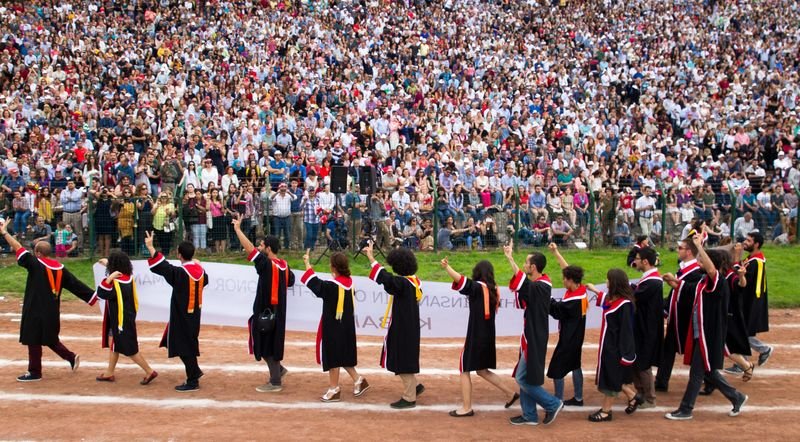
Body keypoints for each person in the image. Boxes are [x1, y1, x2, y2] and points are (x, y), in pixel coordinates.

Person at [0, 219, 95, 382]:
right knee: (49, 338)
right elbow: (78, 286)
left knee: (33, 339)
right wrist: (95, 296)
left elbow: (17, 247)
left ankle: (35, 372)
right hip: (51, 311)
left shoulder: (35, 264)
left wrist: (4, 232)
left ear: (37, 253)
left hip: (35, 309)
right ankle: (71, 357)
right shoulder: (61, 269)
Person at [665, 236, 748, 420]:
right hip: (699, 334)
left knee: (696, 374)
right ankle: (737, 397)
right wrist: (672, 281)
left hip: (708, 336)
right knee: (709, 373)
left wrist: (698, 246)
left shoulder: (718, 282)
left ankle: (686, 409)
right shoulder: (703, 282)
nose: (699, 261)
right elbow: (687, 287)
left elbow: (711, 270)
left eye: (702, 259)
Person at [440, 257, 519, 417]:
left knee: (464, 369)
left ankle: (467, 408)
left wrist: (447, 268)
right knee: (482, 370)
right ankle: (511, 393)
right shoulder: (494, 289)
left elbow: (462, 281)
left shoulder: (477, 287)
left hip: (476, 335)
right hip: (488, 335)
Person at [231, 216, 295, 392]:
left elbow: (249, 248)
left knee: (265, 344)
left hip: (266, 312)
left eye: (261, 246)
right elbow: (290, 282)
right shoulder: (285, 265)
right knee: (272, 342)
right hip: (279, 313)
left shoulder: (266, 264)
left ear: (268, 248)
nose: (259, 248)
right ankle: (279, 370)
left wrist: (237, 230)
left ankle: (275, 381)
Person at [504, 239, 564, 426]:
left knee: (523, 377)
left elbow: (525, 286)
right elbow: (524, 291)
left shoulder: (541, 286)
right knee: (526, 376)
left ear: (534, 267)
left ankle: (552, 404)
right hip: (531, 335)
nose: (524, 266)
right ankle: (529, 415)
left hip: (534, 337)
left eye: (526, 264)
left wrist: (510, 258)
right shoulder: (539, 285)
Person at [300, 249, 369, 402]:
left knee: (333, 356)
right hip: (346, 326)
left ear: (333, 267)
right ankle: (359, 380)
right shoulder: (350, 283)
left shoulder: (332, 286)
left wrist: (307, 263)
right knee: (343, 355)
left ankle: (334, 389)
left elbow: (315, 284)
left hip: (333, 326)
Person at [144, 231, 208, 392]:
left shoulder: (181, 274)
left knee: (184, 346)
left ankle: (193, 379)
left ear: (179, 255)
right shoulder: (200, 272)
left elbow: (162, 266)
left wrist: (151, 247)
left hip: (181, 315)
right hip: (194, 316)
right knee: (188, 344)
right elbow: (204, 280)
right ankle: (195, 372)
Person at [364, 242, 425, 409]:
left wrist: (371, 257)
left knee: (402, 359)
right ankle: (416, 386)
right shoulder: (414, 282)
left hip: (403, 328)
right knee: (404, 357)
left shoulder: (403, 284)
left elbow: (386, 278)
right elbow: (390, 280)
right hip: (409, 326)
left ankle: (409, 397)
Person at [94, 251, 158, 385]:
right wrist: (107, 264)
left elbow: (101, 293)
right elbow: (119, 275)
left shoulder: (116, 283)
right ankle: (109, 373)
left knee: (131, 350)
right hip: (126, 318)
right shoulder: (128, 277)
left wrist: (109, 278)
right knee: (114, 345)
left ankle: (149, 371)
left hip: (120, 321)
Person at [584, 270, 638, 422]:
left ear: (614, 283)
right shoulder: (615, 300)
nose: (606, 283)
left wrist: (626, 354)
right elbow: (607, 302)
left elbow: (627, 331)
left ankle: (606, 411)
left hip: (616, 348)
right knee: (612, 375)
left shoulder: (625, 305)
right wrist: (594, 289)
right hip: (608, 346)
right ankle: (633, 396)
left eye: (608, 280)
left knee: (611, 377)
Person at [656, 235, 704, 392]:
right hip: (676, 316)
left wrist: (676, 284)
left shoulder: (696, 272)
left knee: (696, 352)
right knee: (668, 348)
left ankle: (711, 381)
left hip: (687, 318)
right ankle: (661, 381)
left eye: (680, 248)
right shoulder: (683, 268)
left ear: (689, 252)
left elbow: (692, 293)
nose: (678, 250)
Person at [545, 243, 587, 407]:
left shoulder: (572, 302)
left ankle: (558, 399)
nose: (562, 280)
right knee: (575, 365)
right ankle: (578, 397)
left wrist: (544, 296)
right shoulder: (580, 290)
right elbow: (567, 268)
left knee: (557, 368)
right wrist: (556, 252)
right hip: (577, 336)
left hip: (568, 338)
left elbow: (555, 310)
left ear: (571, 280)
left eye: (564, 279)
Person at [726, 231, 772, 373]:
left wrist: (736, 257)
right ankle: (744, 362)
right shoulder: (752, 259)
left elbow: (740, 276)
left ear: (756, 244)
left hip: (750, 303)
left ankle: (760, 352)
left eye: (749, 240)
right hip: (748, 302)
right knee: (743, 332)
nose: (745, 242)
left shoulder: (756, 262)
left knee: (742, 331)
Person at [628, 247, 664, 409]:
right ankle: (641, 393)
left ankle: (650, 398)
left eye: (636, 258)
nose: (634, 261)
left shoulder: (653, 281)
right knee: (636, 360)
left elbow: (635, 297)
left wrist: (623, 287)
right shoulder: (648, 280)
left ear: (645, 261)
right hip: (641, 326)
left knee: (643, 362)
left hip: (646, 328)